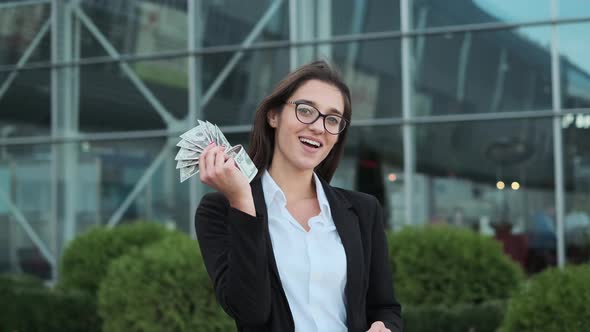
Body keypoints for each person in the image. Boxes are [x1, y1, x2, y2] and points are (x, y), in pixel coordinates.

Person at [195, 60, 403, 332]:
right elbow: (250, 312)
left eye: (332, 119)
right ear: (274, 116)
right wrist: (242, 202)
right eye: (306, 110)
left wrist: (384, 326)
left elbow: (385, 307)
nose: (319, 127)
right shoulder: (219, 211)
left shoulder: (364, 210)